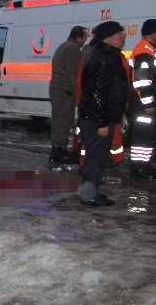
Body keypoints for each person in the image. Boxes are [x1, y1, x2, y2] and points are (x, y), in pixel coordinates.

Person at [78, 21, 128, 206]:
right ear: (108, 38)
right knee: (96, 158)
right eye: (119, 35)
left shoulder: (105, 55)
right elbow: (97, 94)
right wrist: (101, 123)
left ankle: (90, 192)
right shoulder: (104, 59)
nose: (123, 37)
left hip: (100, 117)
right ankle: (89, 195)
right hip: (99, 119)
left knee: (96, 157)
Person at [49, 26, 87, 165]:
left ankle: (57, 149)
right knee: (64, 121)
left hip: (58, 89)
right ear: (79, 37)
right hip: (65, 90)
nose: (85, 40)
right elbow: (74, 74)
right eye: (85, 37)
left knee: (58, 119)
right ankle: (60, 151)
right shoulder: (73, 49)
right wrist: (79, 94)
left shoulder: (63, 46)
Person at [127, 19, 156, 179]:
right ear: (153, 34)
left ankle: (144, 165)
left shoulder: (149, 50)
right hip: (143, 105)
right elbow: (142, 81)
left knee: (147, 135)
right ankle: (138, 167)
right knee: (141, 135)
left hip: (144, 104)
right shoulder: (144, 52)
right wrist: (149, 102)